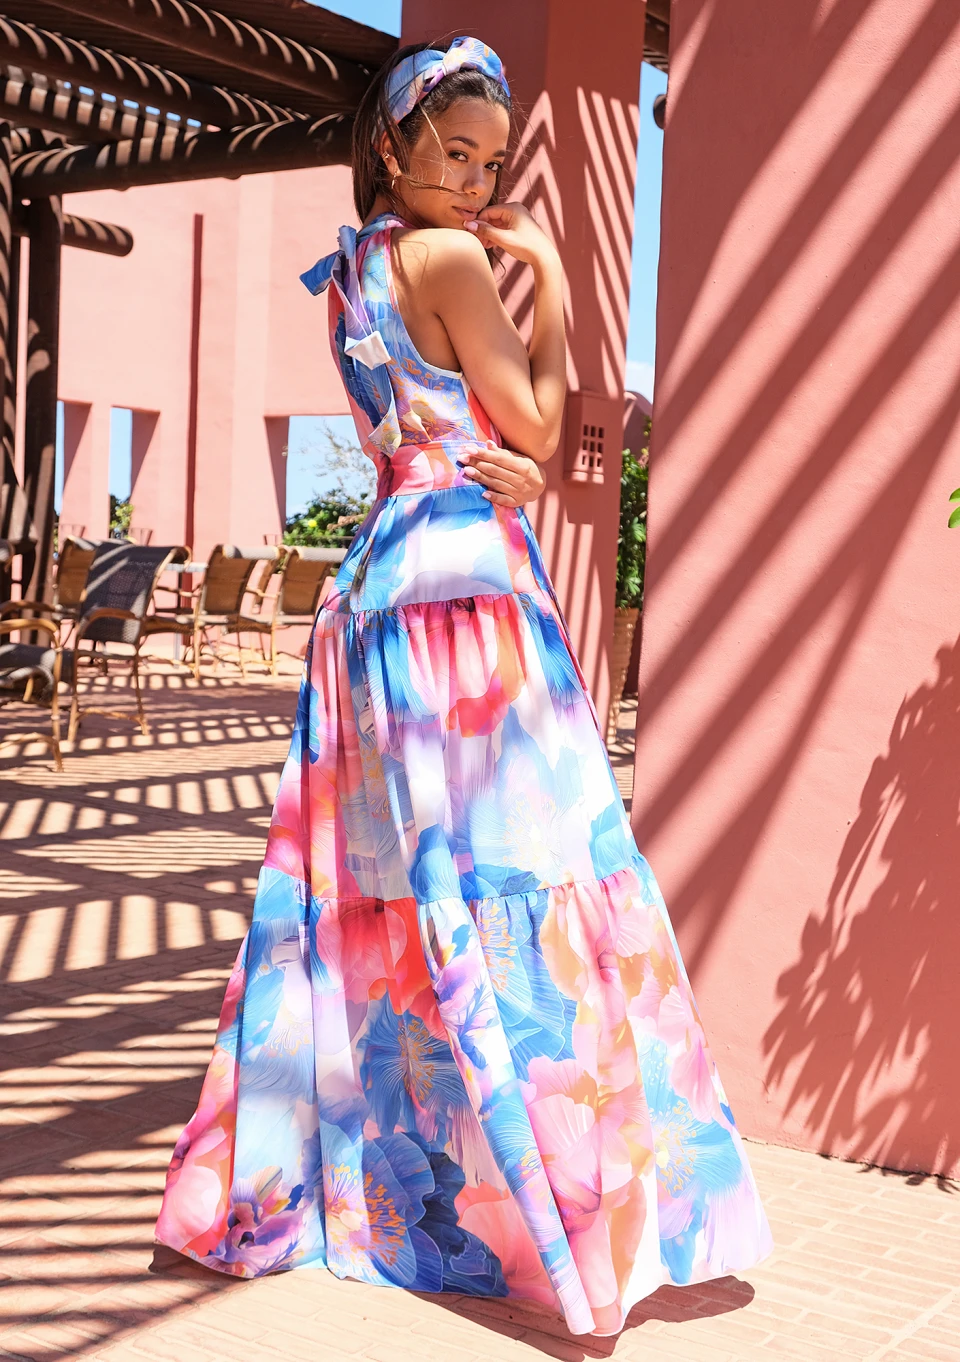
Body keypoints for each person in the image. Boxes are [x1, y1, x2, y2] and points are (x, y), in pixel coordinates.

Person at [155, 35, 772, 1337]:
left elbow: (437, 429)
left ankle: (396, 1191)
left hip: (377, 585)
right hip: (462, 593)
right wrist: (553, 279)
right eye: (458, 154)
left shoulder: (353, 268)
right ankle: (556, 1216)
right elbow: (535, 424)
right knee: (525, 867)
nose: (480, 185)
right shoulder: (447, 259)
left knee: (387, 892)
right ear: (392, 146)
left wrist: (510, 455)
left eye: (494, 164)